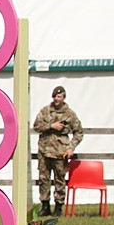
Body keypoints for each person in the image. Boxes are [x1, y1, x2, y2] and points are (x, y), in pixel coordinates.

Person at [32, 85, 84, 216]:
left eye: (59, 97)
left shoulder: (69, 114)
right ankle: (45, 206)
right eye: (54, 96)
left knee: (59, 179)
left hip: (61, 151)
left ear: (64, 97)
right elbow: (36, 126)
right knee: (44, 179)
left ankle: (59, 207)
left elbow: (79, 132)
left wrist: (71, 147)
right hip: (44, 150)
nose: (56, 99)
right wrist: (51, 126)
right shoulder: (45, 111)